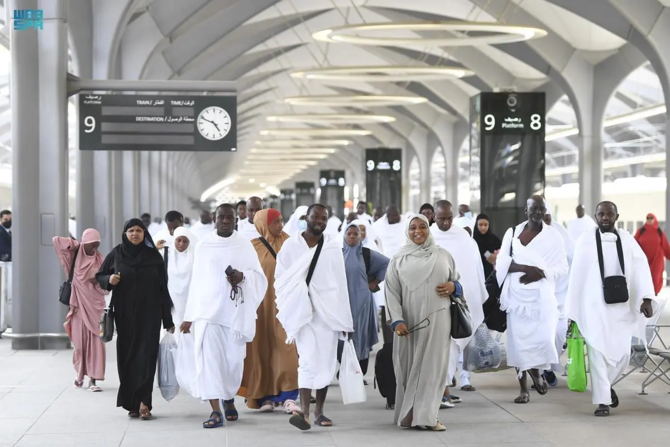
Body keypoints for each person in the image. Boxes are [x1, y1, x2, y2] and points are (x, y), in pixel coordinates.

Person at [566, 201, 657, 416]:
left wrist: (646, 298)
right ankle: (603, 402)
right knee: (597, 353)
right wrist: (574, 311)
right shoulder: (586, 240)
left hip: (621, 308)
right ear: (595, 216)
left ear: (617, 216)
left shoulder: (627, 240)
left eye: (609, 214)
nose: (605, 218)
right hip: (593, 307)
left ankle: (606, 387)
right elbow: (577, 277)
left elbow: (641, 267)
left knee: (623, 354)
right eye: (601, 214)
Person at [180, 204, 267, 428]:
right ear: (214, 219)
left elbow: (259, 278)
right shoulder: (204, 245)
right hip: (207, 315)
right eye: (222, 217)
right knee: (209, 362)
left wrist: (242, 276)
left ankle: (228, 398)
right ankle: (215, 411)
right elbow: (196, 282)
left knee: (232, 363)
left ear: (235, 220)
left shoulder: (243, 245)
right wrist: (189, 316)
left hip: (234, 316)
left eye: (230, 218)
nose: (226, 221)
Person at [275, 204, 354, 431]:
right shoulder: (291, 245)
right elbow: (280, 279)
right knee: (307, 360)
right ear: (306, 218)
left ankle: (319, 411)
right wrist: (296, 295)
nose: (319, 220)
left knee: (327, 362)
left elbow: (340, 283)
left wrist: (344, 319)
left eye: (323, 217)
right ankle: (305, 414)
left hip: (328, 313)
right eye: (315, 216)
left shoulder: (331, 246)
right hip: (302, 312)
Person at [385, 214, 462, 431]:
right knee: (408, 368)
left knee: (433, 368)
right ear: (406, 232)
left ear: (429, 229)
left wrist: (453, 287)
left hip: (439, 319)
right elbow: (391, 292)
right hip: (409, 324)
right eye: (413, 228)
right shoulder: (398, 259)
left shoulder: (443, 255)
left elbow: (457, 282)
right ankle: (409, 415)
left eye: (422, 227)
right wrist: (397, 321)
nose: (418, 231)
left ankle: (427, 416)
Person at [96, 219, 175, 420]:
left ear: (144, 233)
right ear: (125, 233)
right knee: (127, 358)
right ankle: (131, 402)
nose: (135, 234)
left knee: (147, 358)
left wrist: (167, 319)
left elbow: (162, 288)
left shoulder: (153, 257)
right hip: (125, 316)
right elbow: (100, 276)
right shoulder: (116, 254)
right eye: (130, 230)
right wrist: (109, 280)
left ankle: (144, 403)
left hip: (150, 316)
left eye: (139, 230)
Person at [495, 196, 568, 404]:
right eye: (533, 208)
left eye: (541, 209)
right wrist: (525, 269)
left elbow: (563, 268)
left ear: (546, 211)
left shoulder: (554, 236)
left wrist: (541, 273)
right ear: (526, 210)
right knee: (518, 343)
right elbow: (502, 263)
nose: (537, 212)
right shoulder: (513, 232)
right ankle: (523, 389)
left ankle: (537, 372)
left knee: (543, 339)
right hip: (516, 299)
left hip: (541, 300)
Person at [240, 209, 300, 414]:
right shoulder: (252, 247)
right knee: (262, 349)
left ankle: (288, 395)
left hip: (284, 304)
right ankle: (265, 396)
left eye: (282, 221)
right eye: (275, 222)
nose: (280, 225)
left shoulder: (291, 243)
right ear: (263, 224)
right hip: (260, 305)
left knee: (286, 346)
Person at [431, 201, 487, 396]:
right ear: (434, 217)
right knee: (436, 347)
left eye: (449, 218)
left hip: (457, 300)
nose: (446, 223)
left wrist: (459, 289)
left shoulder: (463, 237)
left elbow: (470, 269)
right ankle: (441, 391)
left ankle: (444, 390)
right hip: (433, 300)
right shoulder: (427, 236)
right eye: (441, 219)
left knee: (453, 346)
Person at [54, 229, 107, 392]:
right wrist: (78, 244)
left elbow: (107, 283)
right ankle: (80, 374)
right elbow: (57, 241)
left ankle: (93, 379)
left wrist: (99, 280)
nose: (94, 249)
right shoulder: (73, 258)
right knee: (79, 344)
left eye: (97, 246)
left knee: (96, 342)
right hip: (77, 306)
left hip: (95, 306)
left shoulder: (100, 259)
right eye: (91, 245)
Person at [340, 222, 389, 377]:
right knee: (343, 337)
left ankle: (359, 372)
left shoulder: (367, 254)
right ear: (344, 236)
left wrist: (374, 282)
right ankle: (346, 370)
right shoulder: (337, 254)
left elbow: (387, 264)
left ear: (360, 237)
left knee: (361, 336)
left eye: (356, 234)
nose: (352, 237)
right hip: (343, 303)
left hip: (363, 303)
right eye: (349, 234)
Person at [542, 203, 575, 384]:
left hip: (560, 293)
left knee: (558, 333)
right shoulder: (527, 233)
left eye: (547, 217)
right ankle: (541, 370)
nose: (545, 221)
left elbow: (574, 257)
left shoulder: (561, 233)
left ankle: (547, 366)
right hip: (536, 293)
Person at [373, 205, 406, 343]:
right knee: (387, 306)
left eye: (396, 215)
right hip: (386, 270)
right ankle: (388, 343)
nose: (395, 218)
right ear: (387, 216)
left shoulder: (407, 223)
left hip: (405, 270)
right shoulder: (378, 226)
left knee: (404, 305)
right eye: (392, 215)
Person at [166, 227, 197, 329]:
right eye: (178, 240)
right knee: (175, 324)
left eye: (185, 241)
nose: (181, 244)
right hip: (172, 299)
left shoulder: (195, 255)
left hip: (190, 298)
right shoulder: (167, 255)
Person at [634, 213, 670, 295]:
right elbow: (634, 243)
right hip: (644, 260)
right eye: (648, 218)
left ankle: (653, 296)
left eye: (651, 218)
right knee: (644, 278)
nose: (649, 219)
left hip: (657, 260)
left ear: (654, 219)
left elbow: (665, 246)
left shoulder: (659, 231)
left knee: (655, 278)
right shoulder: (641, 231)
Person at [473, 214, 502, 279]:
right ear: (476, 225)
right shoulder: (472, 240)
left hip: (490, 274)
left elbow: (503, 253)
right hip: (476, 273)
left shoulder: (494, 239)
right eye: (480, 225)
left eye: (486, 225)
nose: (483, 228)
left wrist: (496, 257)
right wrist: (487, 254)